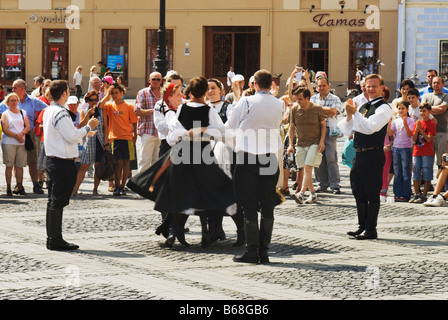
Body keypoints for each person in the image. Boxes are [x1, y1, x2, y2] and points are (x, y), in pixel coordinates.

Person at [227, 69, 284, 264]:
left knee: (249, 205)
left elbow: (232, 125)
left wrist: (238, 99)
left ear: (254, 84)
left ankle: (252, 250)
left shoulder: (247, 101)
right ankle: (264, 251)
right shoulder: (280, 103)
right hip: (269, 157)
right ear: (272, 84)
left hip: (248, 157)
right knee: (267, 206)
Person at [43, 80, 99, 251]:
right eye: (68, 90)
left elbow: (65, 134)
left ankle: (53, 238)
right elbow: (72, 135)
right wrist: (89, 125)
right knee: (57, 201)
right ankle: (55, 239)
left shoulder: (50, 110)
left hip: (54, 159)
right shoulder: (60, 113)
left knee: (53, 200)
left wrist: (83, 133)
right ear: (64, 94)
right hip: (61, 161)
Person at [338, 74, 394, 240]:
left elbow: (371, 127)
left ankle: (371, 229)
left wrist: (355, 114)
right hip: (359, 153)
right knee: (358, 190)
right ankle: (361, 226)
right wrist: (349, 115)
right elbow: (349, 131)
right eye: (368, 86)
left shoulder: (384, 108)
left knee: (371, 191)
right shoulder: (364, 106)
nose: (370, 89)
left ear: (382, 88)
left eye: (374, 86)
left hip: (373, 153)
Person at [0, 79, 48, 194]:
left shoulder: (33, 101)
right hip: (10, 136)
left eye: (15, 88)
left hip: (29, 133)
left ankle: (35, 184)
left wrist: (40, 121)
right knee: (15, 162)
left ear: (22, 88)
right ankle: (18, 185)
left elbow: (47, 109)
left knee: (32, 160)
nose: (12, 90)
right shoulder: (7, 102)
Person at [287, 86, 326, 205]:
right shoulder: (294, 109)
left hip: (314, 142)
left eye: (300, 99)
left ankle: (301, 193)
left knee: (308, 167)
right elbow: (291, 127)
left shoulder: (317, 109)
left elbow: (323, 126)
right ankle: (313, 194)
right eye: (296, 99)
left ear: (307, 98)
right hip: (300, 143)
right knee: (304, 169)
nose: (297, 101)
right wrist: (290, 145)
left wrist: (322, 141)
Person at [98, 83, 138, 196]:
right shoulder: (110, 106)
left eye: (116, 93)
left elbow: (134, 123)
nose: (114, 95)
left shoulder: (129, 107)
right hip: (115, 138)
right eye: (113, 93)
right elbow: (100, 105)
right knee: (117, 163)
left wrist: (135, 136)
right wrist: (107, 95)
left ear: (122, 93)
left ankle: (122, 186)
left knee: (126, 164)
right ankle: (116, 186)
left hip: (127, 138)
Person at [310, 76, 343, 194]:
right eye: (319, 86)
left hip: (330, 131)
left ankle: (335, 185)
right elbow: (311, 113)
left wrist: (318, 110)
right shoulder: (313, 98)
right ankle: (322, 184)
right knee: (318, 158)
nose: (322, 88)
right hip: (316, 131)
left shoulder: (335, 98)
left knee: (331, 158)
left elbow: (333, 112)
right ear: (316, 87)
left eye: (324, 85)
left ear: (329, 86)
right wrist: (325, 110)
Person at [71, 90, 107, 197]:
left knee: (98, 166)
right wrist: (88, 114)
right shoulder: (84, 111)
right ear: (87, 101)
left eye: (96, 100)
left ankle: (95, 189)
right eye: (91, 100)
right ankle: (75, 189)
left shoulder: (102, 111)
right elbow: (81, 125)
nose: (94, 102)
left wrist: (106, 141)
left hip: (100, 140)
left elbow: (106, 127)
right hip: (88, 141)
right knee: (84, 166)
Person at [1, 93, 30, 196]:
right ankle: (8, 187)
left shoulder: (23, 112)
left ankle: (20, 186)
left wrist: (22, 134)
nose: (13, 102)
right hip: (9, 142)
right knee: (9, 165)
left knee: (19, 166)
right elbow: (5, 129)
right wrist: (17, 136)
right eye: (11, 100)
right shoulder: (6, 114)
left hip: (21, 142)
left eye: (15, 100)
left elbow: (27, 126)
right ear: (7, 102)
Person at [409, 103, 436, 204]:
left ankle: (424, 194)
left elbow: (429, 139)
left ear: (429, 112)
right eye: (421, 111)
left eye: (424, 111)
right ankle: (416, 194)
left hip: (427, 152)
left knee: (427, 172)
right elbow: (414, 139)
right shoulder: (417, 123)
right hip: (417, 151)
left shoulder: (431, 123)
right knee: (416, 172)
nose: (422, 113)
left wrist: (421, 130)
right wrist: (416, 129)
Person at [135, 72, 162, 172]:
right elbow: (137, 111)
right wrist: (155, 110)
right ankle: (141, 186)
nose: (155, 81)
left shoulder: (165, 93)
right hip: (148, 131)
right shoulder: (143, 92)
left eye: (158, 79)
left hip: (161, 133)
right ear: (149, 80)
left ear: (161, 81)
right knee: (145, 161)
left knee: (158, 161)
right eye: (153, 79)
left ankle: (155, 185)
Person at [389, 101, 415, 202]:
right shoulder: (396, 120)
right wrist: (388, 125)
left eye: (403, 108)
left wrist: (406, 124)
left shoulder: (411, 120)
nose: (401, 111)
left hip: (406, 148)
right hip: (396, 147)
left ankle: (406, 194)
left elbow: (410, 134)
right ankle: (397, 193)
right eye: (399, 109)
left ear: (407, 109)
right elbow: (391, 133)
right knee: (397, 172)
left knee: (406, 171)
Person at [421, 76, 448, 171]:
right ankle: (427, 184)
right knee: (427, 161)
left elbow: (443, 109)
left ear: (442, 84)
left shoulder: (446, 96)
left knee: (443, 160)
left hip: (442, 131)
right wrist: (433, 110)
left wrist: (429, 109)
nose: (435, 84)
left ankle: (443, 184)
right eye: (434, 83)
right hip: (427, 133)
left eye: (438, 83)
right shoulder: (426, 96)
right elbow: (423, 111)